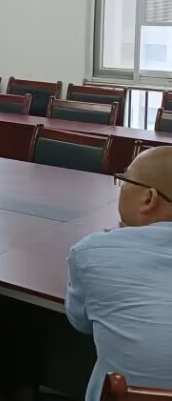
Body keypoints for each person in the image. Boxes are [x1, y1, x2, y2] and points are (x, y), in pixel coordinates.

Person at [65, 147, 172, 401]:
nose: (120, 188)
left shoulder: (91, 252)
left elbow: (80, 321)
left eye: (124, 180)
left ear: (149, 198)